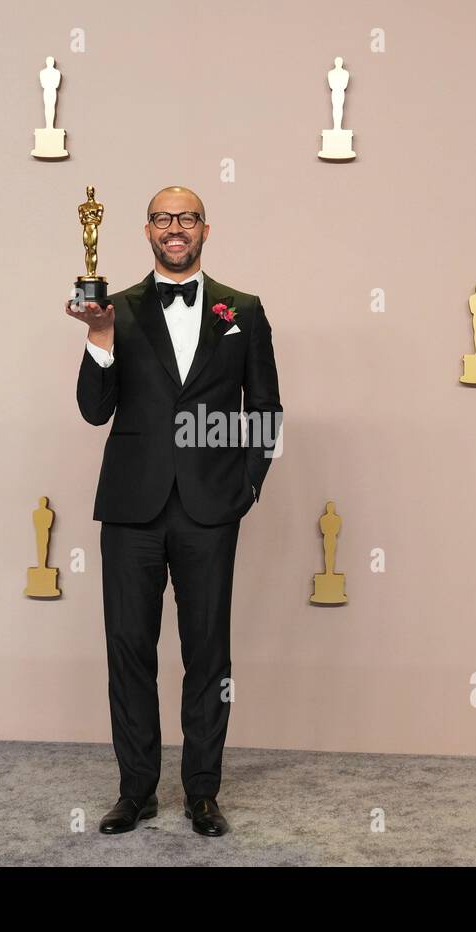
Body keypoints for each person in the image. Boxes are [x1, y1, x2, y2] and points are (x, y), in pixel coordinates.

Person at [66, 185, 282, 836]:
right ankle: (135, 792)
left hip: (210, 509)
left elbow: (266, 411)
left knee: (208, 654)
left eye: (186, 218)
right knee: (128, 649)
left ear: (205, 230)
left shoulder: (243, 309)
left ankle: (203, 794)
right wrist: (99, 338)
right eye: (164, 218)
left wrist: (245, 489)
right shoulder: (117, 309)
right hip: (131, 506)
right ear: (147, 231)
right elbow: (93, 409)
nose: (175, 228)